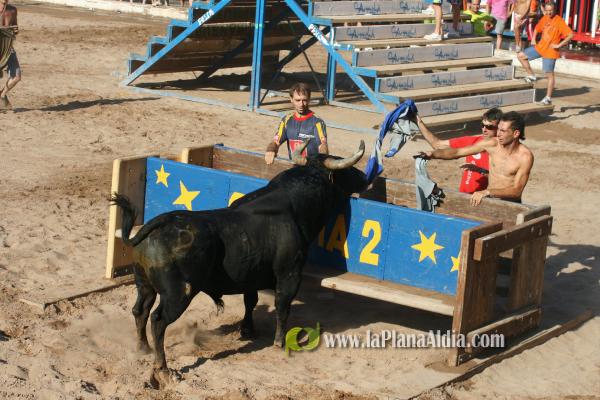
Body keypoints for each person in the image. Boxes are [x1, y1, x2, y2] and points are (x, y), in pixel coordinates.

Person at [415, 112, 533, 206]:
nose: (498, 134)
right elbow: (457, 152)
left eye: (503, 131)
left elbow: (516, 191)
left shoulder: (525, 156)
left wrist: (488, 191)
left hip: (510, 205)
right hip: (490, 201)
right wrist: (433, 154)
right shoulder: (492, 144)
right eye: (498, 129)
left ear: (516, 133)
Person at [415, 107, 503, 194]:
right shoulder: (473, 141)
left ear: (499, 128)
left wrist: (480, 171)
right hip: (464, 195)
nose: (484, 129)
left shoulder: (503, 150)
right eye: (482, 125)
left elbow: (502, 182)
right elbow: (438, 145)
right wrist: (418, 122)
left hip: (486, 198)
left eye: (489, 127)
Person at [517, 2, 573, 105]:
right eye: (547, 10)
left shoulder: (559, 21)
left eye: (550, 10)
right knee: (521, 55)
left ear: (554, 10)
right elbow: (537, 28)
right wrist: (533, 39)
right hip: (540, 47)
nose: (548, 12)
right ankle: (531, 75)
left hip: (551, 51)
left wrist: (559, 45)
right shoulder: (545, 18)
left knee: (549, 75)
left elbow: (570, 35)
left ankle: (548, 98)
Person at [264, 83, 328, 165]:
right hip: (294, 168)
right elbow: (276, 142)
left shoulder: (317, 122)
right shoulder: (286, 120)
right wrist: (271, 150)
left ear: (309, 99)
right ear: (291, 99)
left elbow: (323, 145)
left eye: (304, 100)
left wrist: (323, 158)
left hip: (312, 168)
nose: (301, 104)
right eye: (297, 100)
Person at [0, 0, 20, 109]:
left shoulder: (13, 10)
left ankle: (2, 95)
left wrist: (15, 30)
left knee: (16, 77)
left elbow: (16, 28)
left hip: (8, 48)